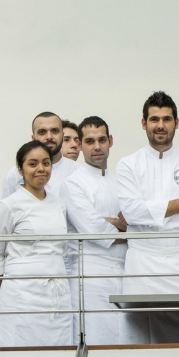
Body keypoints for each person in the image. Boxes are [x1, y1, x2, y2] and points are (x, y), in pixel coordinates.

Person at [116, 91, 179, 344]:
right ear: (144, 123)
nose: (160, 125)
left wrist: (150, 213)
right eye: (154, 119)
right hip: (140, 264)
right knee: (137, 338)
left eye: (167, 119)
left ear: (176, 123)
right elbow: (132, 212)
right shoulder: (128, 164)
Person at [0, 140, 73, 347]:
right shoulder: (8, 206)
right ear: (20, 169)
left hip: (58, 292)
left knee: (58, 351)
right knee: (20, 348)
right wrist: (8, 289)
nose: (41, 169)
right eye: (33, 164)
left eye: (46, 163)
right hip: (21, 293)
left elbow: (62, 249)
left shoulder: (59, 204)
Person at [59, 116, 129, 345]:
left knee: (127, 344)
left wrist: (111, 223)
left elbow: (139, 222)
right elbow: (93, 229)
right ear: (81, 145)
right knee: (95, 347)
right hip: (90, 275)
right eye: (90, 141)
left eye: (101, 140)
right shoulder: (72, 183)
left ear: (110, 141)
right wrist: (122, 227)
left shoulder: (123, 182)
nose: (97, 147)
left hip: (127, 272)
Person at [1, 112, 80, 198]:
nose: (49, 137)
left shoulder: (78, 172)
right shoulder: (15, 175)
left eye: (55, 131)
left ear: (62, 135)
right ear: (33, 138)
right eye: (42, 132)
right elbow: (8, 209)